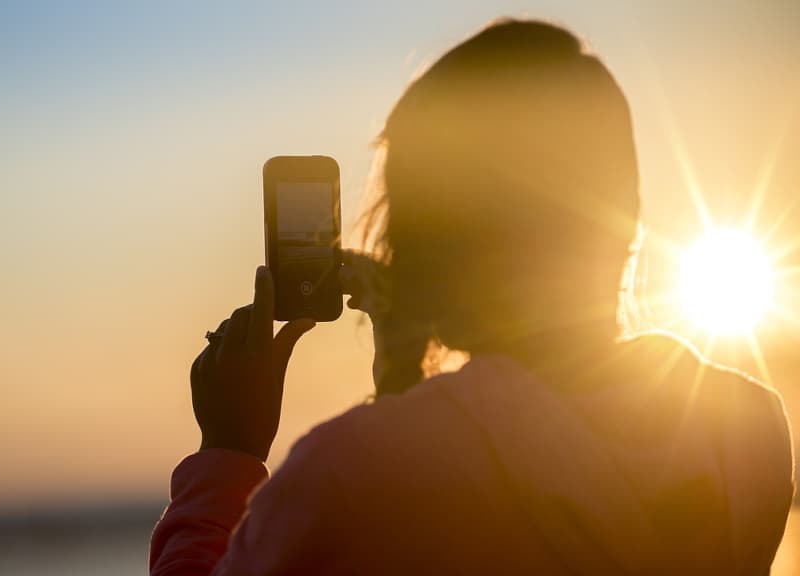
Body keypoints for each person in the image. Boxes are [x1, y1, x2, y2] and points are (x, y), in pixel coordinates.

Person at [150, 18, 794, 575]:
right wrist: (402, 387)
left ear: (426, 232)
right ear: (623, 215)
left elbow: (421, 492)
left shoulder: (348, 472)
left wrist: (227, 453)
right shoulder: (747, 430)